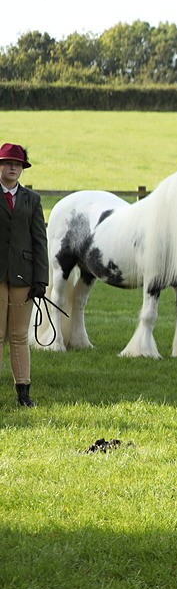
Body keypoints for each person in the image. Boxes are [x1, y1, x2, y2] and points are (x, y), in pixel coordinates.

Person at [0, 143, 49, 408]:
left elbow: (40, 241)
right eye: (7, 163)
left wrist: (41, 279)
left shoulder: (33, 200)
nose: (12, 168)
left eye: (17, 164)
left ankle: (23, 393)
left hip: (23, 276)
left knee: (19, 335)